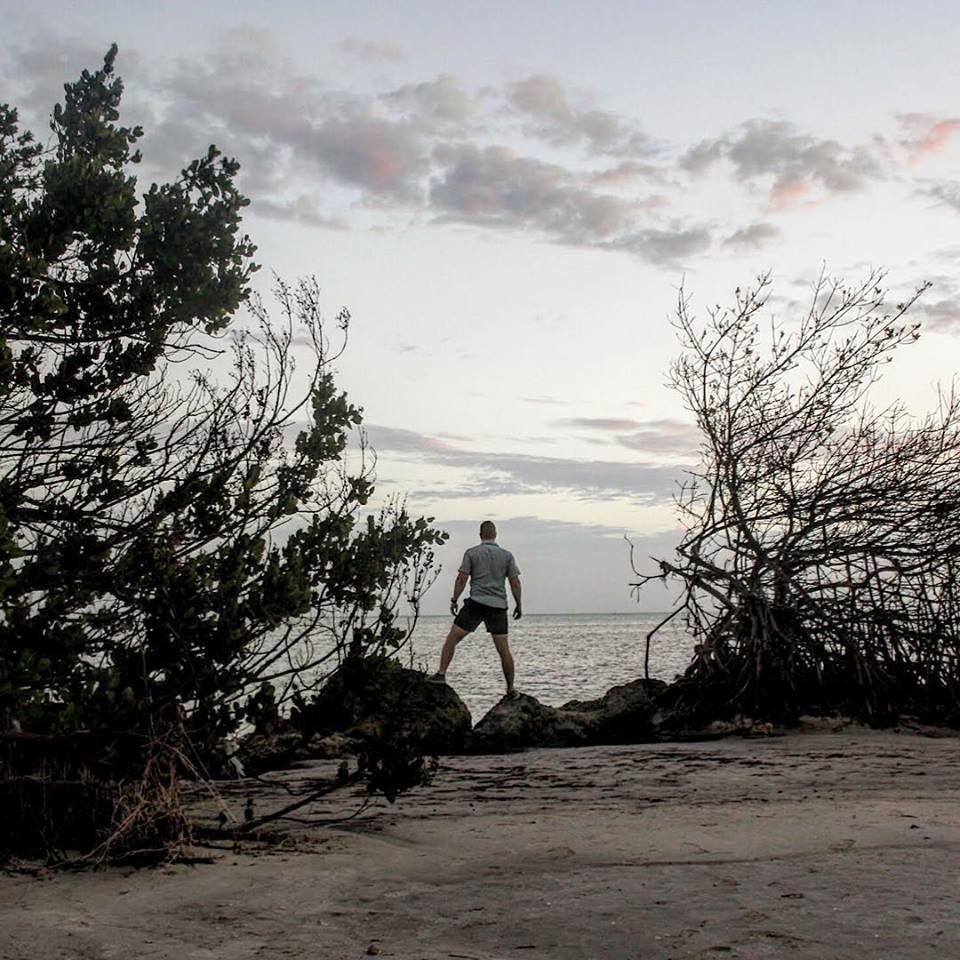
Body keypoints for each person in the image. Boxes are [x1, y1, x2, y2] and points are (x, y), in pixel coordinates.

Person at [432, 520, 522, 698]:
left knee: (453, 637)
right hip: (498, 606)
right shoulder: (507, 556)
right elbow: (515, 582)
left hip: (476, 603)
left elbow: (461, 579)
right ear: (495, 534)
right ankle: (510, 689)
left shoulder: (472, 553)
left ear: (480, 535)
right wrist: (519, 604)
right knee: (503, 649)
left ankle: (441, 673)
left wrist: (454, 599)